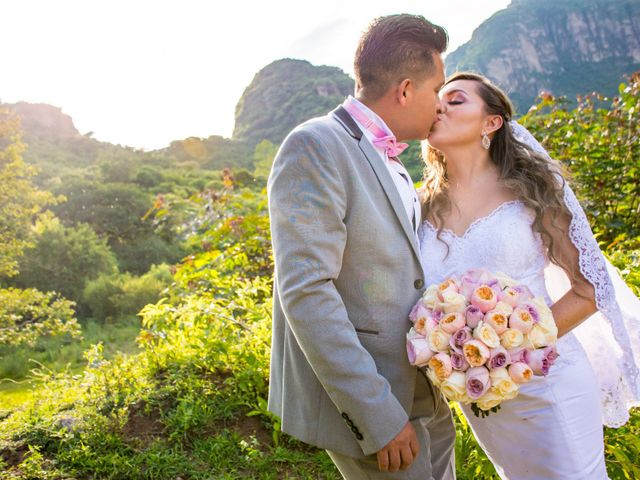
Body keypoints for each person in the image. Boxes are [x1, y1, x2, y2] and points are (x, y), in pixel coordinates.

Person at [419, 71, 640, 479]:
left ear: (492, 123)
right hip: (480, 393)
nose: (440, 107)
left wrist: (515, 349)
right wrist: (467, 361)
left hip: (548, 382)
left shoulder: (533, 190)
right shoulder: (420, 206)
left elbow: (590, 287)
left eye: (456, 100)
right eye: (438, 99)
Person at [268, 14, 456, 479]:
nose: (441, 105)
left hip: (421, 392)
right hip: (377, 404)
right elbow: (307, 292)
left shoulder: (391, 158)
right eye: (438, 89)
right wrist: (378, 416)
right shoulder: (314, 145)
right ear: (406, 89)